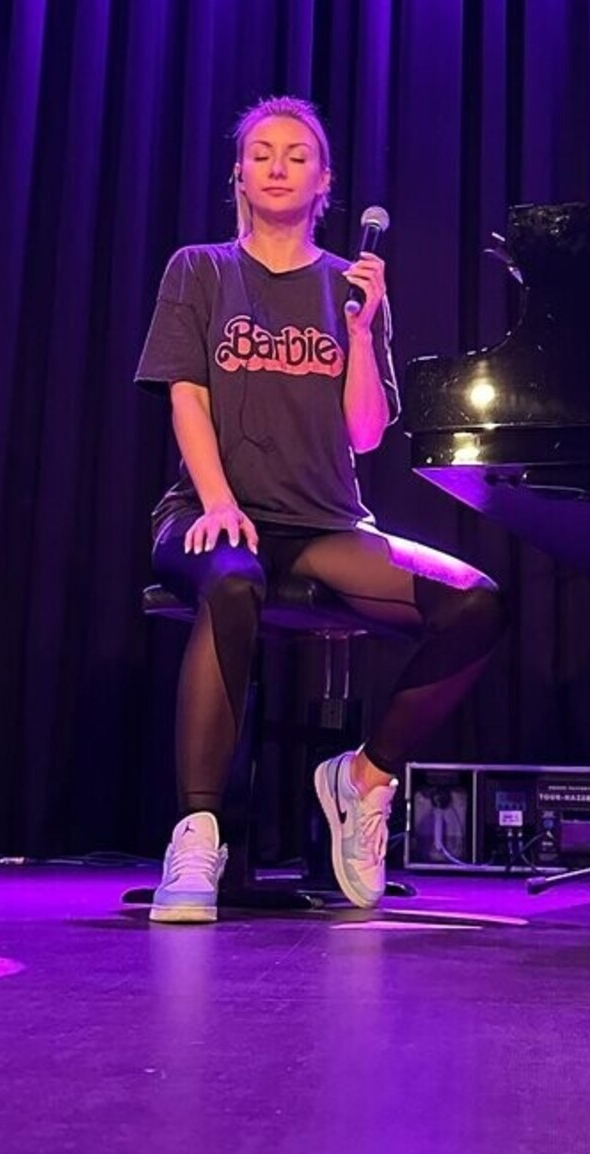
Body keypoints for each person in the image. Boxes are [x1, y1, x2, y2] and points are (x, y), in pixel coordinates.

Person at [135, 94, 510, 920]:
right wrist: (219, 501)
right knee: (234, 579)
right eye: (261, 153)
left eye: (297, 155)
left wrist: (364, 329)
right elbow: (187, 397)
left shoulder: (350, 283)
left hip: (324, 522)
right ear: (238, 174)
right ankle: (196, 837)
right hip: (209, 512)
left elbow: (366, 433)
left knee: (476, 602)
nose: (277, 166)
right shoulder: (199, 269)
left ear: (324, 182)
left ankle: (363, 777)